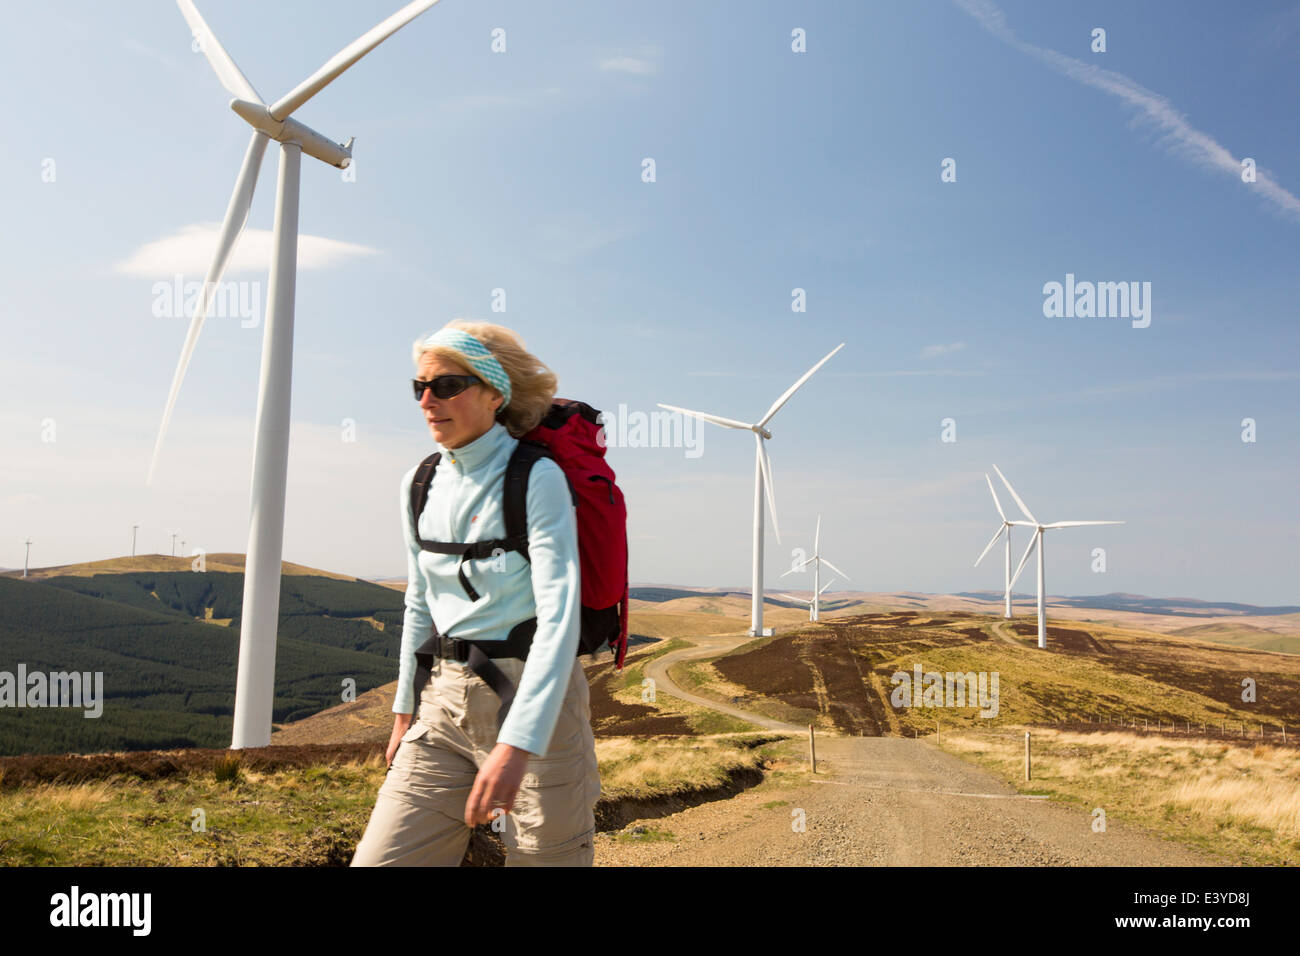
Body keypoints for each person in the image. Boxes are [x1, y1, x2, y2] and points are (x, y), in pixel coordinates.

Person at [350, 320, 600, 867]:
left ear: (494, 393)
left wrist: (518, 744)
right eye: (418, 387)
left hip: (538, 707)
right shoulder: (419, 482)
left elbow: (559, 620)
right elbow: (420, 599)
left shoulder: (537, 477)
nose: (426, 400)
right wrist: (402, 714)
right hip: (442, 701)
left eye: (446, 386)